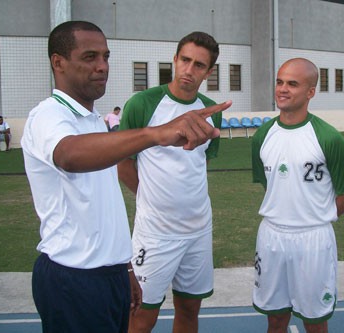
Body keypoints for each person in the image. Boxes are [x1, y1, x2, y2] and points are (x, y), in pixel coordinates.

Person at [21, 21, 230, 333]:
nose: (102, 66)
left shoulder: (92, 120)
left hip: (111, 270)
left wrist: (126, 266)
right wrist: (155, 134)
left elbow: (106, 208)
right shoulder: (48, 115)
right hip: (74, 274)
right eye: (89, 57)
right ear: (58, 62)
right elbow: (69, 155)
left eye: (106, 57)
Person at [117, 31, 222, 333]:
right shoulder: (143, 104)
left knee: (189, 311)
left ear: (208, 72)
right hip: (156, 234)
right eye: (185, 60)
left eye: (199, 65)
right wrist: (150, 196)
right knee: (140, 317)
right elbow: (123, 163)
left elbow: (199, 164)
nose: (189, 70)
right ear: (175, 60)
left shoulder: (212, 112)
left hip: (198, 231)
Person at [251, 58, 344, 333]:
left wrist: (314, 217)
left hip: (313, 240)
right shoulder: (262, 135)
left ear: (311, 92)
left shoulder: (328, 138)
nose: (282, 89)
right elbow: (270, 185)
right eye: (279, 81)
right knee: (275, 319)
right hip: (272, 238)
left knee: (315, 321)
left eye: (292, 83)